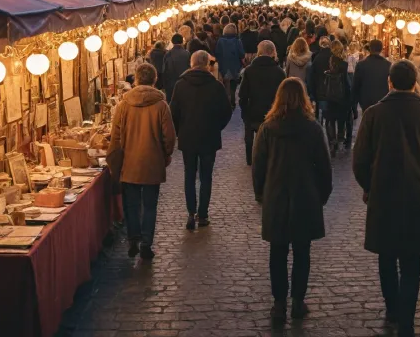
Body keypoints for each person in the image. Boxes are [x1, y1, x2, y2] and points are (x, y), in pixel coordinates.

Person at [352, 60, 420, 337]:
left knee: (386, 256)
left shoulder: (373, 115)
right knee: (412, 261)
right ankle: (406, 320)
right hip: (418, 195)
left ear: (390, 82)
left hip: (383, 194)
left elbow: (360, 160)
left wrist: (369, 186)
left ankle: (392, 309)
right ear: (414, 83)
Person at [252, 77, 332, 324]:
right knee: (302, 251)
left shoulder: (267, 129)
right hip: (305, 195)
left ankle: (279, 302)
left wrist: (261, 194)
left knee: (277, 252)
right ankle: (298, 300)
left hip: (276, 195)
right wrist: (322, 194)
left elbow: (259, 166)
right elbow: (324, 167)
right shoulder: (313, 128)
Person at [107, 62, 176, 261]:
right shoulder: (161, 104)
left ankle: (133, 239)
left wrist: (115, 161)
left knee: (131, 204)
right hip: (153, 162)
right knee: (150, 205)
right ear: (154, 79)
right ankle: (147, 242)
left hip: (130, 162)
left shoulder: (124, 105)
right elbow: (169, 136)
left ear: (136, 79)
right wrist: (166, 154)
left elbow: (116, 136)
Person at [170, 50, 233, 230]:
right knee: (206, 177)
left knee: (189, 175)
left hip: (188, 137)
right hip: (209, 137)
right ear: (207, 64)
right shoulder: (215, 86)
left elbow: (173, 111)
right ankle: (203, 214)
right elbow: (226, 111)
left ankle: (191, 212)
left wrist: (180, 130)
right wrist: (216, 127)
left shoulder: (181, 85)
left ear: (191, 63)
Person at [239, 40, 286, 165]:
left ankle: (250, 158)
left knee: (250, 135)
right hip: (272, 113)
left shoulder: (249, 71)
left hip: (253, 111)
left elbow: (243, 94)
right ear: (273, 53)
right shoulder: (279, 72)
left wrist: (244, 111)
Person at [317, 40, 351, 154]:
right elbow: (346, 83)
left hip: (328, 96)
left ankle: (332, 141)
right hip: (341, 97)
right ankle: (340, 137)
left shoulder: (325, 60)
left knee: (329, 120)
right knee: (341, 119)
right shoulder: (344, 64)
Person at [352, 39, 392, 114]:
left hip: (366, 102)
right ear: (381, 49)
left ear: (369, 48)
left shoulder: (361, 65)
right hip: (382, 101)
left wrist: (354, 104)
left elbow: (355, 86)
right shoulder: (388, 65)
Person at [215, 23, 246, 108]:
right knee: (233, 86)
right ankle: (232, 102)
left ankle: (226, 102)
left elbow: (217, 54)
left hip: (223, 66)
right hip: (235, 67)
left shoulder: (220, 41)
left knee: (225, 86)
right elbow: (242, 54)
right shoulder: (237, 41)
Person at [161, 33, 190, 101]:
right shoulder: (187, 53)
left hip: (171, 85)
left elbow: (164, 71)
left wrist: (165, 86)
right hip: (184, 84)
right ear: (182, 42)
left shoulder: (167, 54)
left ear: (172, 42)